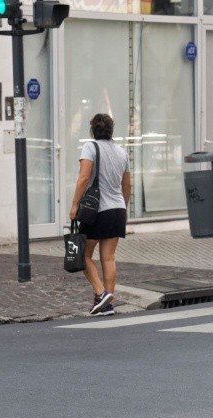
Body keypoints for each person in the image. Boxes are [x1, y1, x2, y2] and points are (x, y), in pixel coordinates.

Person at [70, 113, 131, 316]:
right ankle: (107, 304)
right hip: (118, 210)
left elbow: (84, 177)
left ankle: (101, 292)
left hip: (98, 210)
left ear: (93, 130)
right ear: (111, 130)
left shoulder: (91, 147)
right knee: (109, 258)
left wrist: (74, 205)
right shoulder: (122, 152)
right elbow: (127, 184)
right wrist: (126, 208)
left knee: (84, 255)